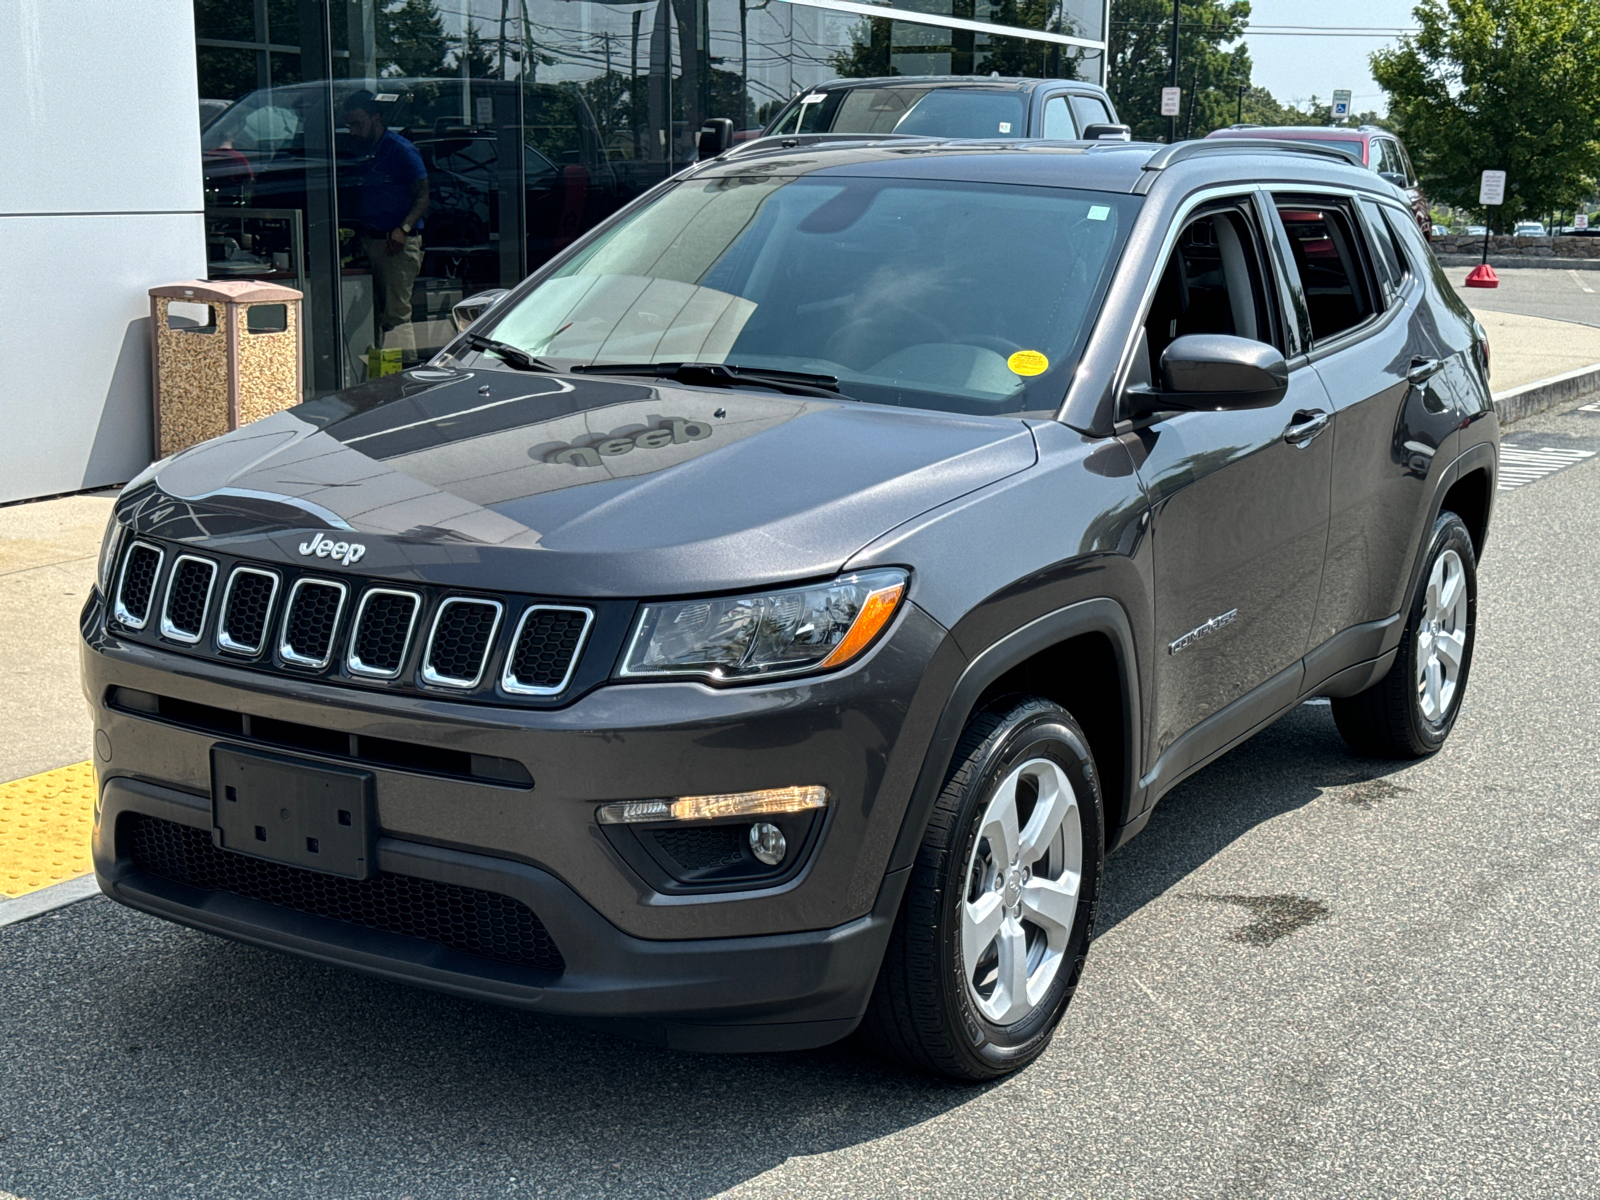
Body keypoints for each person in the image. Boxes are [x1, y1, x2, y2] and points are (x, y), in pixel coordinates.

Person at [341, 91, 430, 357]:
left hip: (397, 242)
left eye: (358, 123)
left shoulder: (400, 148)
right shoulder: (364, 150)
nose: (354, 131)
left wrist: (403, 229)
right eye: (349, 125)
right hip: (370, 238)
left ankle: (407, 370)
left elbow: (423, 194)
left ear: (375, 118)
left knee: (396, 313)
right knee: (375, 310)